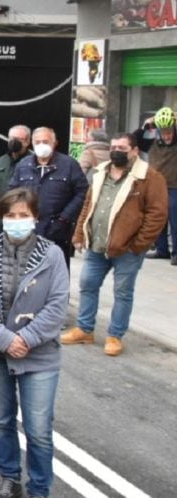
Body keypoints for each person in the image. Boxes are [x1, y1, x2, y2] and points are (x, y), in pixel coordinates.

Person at [0, 188, 69, 498]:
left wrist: (24, 339)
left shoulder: (53, 255)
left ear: (35, 217)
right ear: (0, 218)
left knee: (39, 429)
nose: (16, 221)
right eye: (10, 216)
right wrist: (4, 340)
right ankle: (10, 478)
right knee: (1, 420)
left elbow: (57, 306)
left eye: (23, 215)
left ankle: (38, 491)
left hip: (38, 355)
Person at [62, 133, 168, 356]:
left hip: (127, 249)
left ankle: (115, 336)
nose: (116, 151)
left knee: (123, 293)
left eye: (122, 147)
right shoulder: (100, 172)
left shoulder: (149, 177)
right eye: (113, 147)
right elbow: (88, 204)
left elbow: (157, 215)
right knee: (88, 286)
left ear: (134, 151)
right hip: (97, 246)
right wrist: (80, 233)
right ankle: (85, 329)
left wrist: (138, 245)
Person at [8, 126, 89, 263]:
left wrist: (65, 217)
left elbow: (82, 192)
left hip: (58, 231)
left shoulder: (69, 165)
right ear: (32, 143)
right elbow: (12, 192)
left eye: (45, 142)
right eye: (37, 142)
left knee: (57, 273)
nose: (41, 145)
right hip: (28, 230)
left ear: (54, 143)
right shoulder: (23, 165)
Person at [136, 107, 177, 265]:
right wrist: (145, 126)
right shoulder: (152, 141)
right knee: (158, 217)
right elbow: (135, 141)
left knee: (175, 221)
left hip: (175, 186)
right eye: (164, 133)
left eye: (170, 133)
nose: (167, 136)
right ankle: (161, 250)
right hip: (157, 185)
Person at [0, 125, 32, 198]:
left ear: (27, 141)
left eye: (19, 139)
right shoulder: (2, 160)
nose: (14, 142)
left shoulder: (33, 161)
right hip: (4, 205)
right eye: (12, 138)